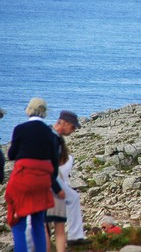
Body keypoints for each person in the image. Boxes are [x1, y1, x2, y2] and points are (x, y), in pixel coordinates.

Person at [5, 98, 61, 252]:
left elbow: (11, 155)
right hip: (42, 181)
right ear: (45, 112)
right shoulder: (50, 133)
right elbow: (54, 163)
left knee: (18, 223)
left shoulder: (20, 129)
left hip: (23, 179)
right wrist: (53, 186)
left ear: (28, 110)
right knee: (38, 223)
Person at [52, 111, 91, 246]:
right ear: (65, 123)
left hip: (51, 177)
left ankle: (75, 236)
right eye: (73, 127)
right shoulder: (53, 137)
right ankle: (75, 236)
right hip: (47, 177)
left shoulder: (56, 138)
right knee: (72, 197)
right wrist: (57, 187)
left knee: (73, 197)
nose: (73, 131)